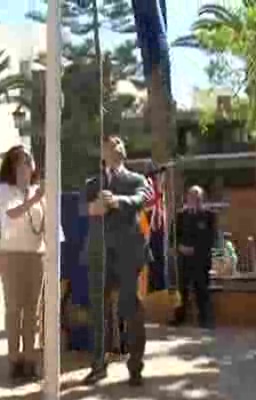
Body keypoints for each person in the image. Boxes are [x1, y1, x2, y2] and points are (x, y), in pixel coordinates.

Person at [83, 135, 151, 387]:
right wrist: (95, 207)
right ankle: (98, 365)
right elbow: (85, 208)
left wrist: (117, 201)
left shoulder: (136, 179)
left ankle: (135, 367)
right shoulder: (93, 182)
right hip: (100, 253)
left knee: (130, 308)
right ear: (102, 154)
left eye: (120, 143)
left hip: (128, 253)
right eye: (110, 145)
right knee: (99, 310)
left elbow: (141, 199)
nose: (116, 147)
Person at [0, 145, 46, 381]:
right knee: (14, 309)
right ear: (13, 166)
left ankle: (30, 358)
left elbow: (49, 225)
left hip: (37, 255)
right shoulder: (5, 190)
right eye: (22, 162)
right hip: (12, 254)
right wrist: (32, 198)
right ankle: (14, 359)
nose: (26, 166)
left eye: (29, 161)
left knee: (33, 311)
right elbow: (11, 213)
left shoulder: (40, 191)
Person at [170, 185, 217, 329]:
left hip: (200, 260)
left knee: (201, 289)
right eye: (191, 196)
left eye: (196, 197)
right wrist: (179, 247)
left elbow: (211, 238)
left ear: (201, 199)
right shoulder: (181, 215)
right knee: (181, 290)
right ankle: (179, 318)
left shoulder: (209, 215)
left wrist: (195, 249)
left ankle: (205, 320)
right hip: (183, 259)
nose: (193, 199)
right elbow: (174, 236)